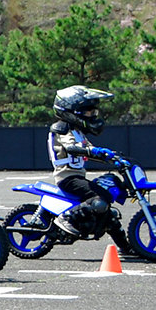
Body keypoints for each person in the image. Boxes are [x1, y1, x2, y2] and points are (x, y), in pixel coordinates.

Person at [49, 85, 118, 236]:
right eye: (88, 111)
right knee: (100, 200)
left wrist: (110, 157)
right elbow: (71, 148)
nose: (92, 115)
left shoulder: (77, 131)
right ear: (72, 111)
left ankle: (127, 248)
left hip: (78, 176)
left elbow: (89, 149)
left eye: (93, 111)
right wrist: (94, 151)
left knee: (109, 213)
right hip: (67, 178)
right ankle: (66, 218)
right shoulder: (62, 128)